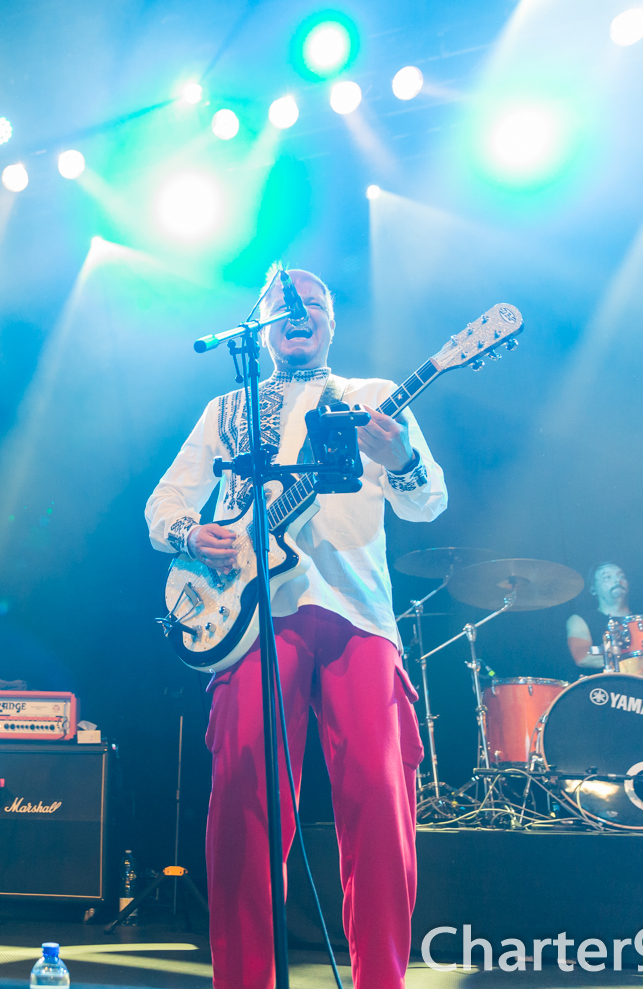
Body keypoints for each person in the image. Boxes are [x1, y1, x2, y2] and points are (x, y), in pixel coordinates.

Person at [145, 267, 447, 989]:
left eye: (312, 304)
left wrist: (401, 459)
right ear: (261, 329)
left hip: (356, 614)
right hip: (252, 618)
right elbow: (163, 504)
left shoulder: (372, 397)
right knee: (243, 799)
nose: (298, 314)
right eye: (283, 306)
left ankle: (381, 981)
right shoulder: (226, 409)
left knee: (378, 798)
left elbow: (428, 502)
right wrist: (193, 535)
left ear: (332, 323)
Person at [564, 562, 630, 671]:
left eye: (621, 576)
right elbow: (582, 658)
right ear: (593, 589)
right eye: (607, 577)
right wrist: (628, 659)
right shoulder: (581, 620)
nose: (617, 580)